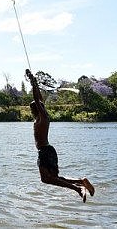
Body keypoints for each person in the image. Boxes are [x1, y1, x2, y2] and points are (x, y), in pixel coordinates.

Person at [27, 69, 95, 202]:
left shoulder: (42, 117)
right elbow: (39, 100)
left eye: (31, 109)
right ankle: (81, 182)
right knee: (54, 178)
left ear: (36, 109)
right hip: (48, 150)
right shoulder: (42, 117)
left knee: (46, 179)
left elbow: (37, 100)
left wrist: (33, 82)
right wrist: (34, 84)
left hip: (45, 151)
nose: (31, 111)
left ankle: (78, 188)